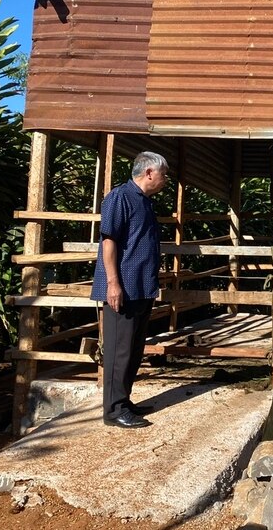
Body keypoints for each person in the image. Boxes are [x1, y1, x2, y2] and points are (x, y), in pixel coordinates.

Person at [91, 151, 168, 428]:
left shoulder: (144, 202)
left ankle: (123, 401)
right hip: (122, 288)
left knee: (134, 349)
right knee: (118, 350)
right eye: (164, 174)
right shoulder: (119, 197)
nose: (165, 179)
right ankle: (113, 411)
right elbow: (108, 241)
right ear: (149, 172)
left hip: (141, 288)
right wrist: (113, 283)